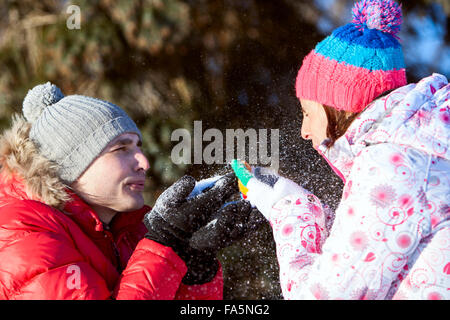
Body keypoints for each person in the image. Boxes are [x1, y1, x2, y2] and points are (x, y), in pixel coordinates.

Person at [232, 0, 449, 299]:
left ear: (339, 105)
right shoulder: (420, 148)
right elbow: (377, 253)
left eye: (308, 112)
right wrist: (309, 209)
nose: (304, 130)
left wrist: (291, 211)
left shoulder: (392, 166)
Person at [0, 82, 257, 299]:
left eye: (138, 146)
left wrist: (193, 264)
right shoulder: (20, 232)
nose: (144, 163)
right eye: (121, 148)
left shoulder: (131, 229)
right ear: (69, 165)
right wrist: (164, 244)